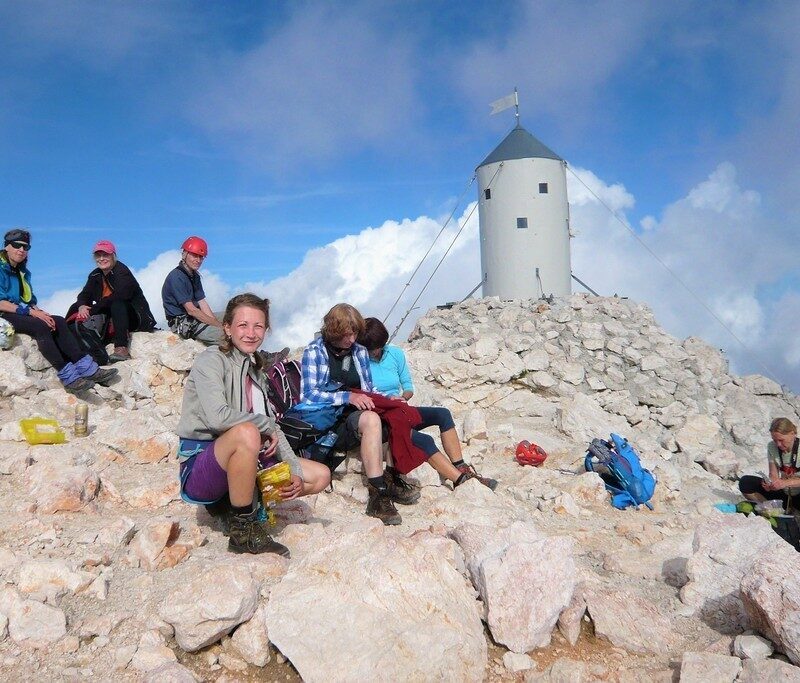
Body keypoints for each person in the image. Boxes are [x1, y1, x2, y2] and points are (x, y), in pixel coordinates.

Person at [176, 293, 330, 556]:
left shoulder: (255, 369)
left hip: (250, 457)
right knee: (247, 432)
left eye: (258, 326)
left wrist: (292, 467)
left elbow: (272, 425)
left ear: (266, 330)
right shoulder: (211, 360)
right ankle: (243, 530)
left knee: (320, 476)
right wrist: (263, 425)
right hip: (204, 463)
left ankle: (239, 502)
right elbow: (218, 417)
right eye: (242, 325)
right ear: (227, 327)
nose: (251, 333)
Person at [296, 303, 420, 526]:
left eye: (354, 333)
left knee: (394, 415)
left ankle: (389, 481)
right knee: (372, 419)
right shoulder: (315, 352)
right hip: (327, 420)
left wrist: (387, 397)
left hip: (351, 416)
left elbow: (367, 388)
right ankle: (378, 493)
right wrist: (346, 397)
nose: (352, 340)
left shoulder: (359, 352)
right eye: (346, 334)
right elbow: (308, 395)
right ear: (333, 331)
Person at [359, 317, 497, 491]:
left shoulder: (395, 354)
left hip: (401, 408)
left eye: (379, 347)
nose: (375, 352)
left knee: (443, 414)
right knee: (424, 440)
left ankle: (461, 466)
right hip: (382, 415)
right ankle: (462, 480)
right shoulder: (360, 361)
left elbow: (407, 386)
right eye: (371, 349)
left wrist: (404, 397)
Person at [0, 229, 117, 393]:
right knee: (39, 326)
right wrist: (32, 313)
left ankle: (89, 369)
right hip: (4, 314)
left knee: (58, 321)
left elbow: (28, 300)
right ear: (7, 247)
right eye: (17, 245)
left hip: (17, 311)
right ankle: (68, 377)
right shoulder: (1, 268)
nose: (21, 250)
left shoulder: (21, 271)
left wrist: (40, 312)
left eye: (26, 247)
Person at [67, 240, 157, 362]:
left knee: (117, 304)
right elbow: (84, 294)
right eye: (98, 256)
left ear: (113, 255)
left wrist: (93, 310)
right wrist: (82, 306)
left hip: (135, 316)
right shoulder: (95, 275)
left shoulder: (122, 272)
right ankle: (67, 338)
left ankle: (121, 348)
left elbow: (120, 296)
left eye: (105, 255)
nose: (101, 259)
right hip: (110, 315)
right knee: (75, 307)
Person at [161, 236, 224, 345]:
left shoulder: (195, 276)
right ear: (185, 254)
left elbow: (202, 302)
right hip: (184, 323)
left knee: (235, 316)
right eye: (195, 255)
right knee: (225, 336)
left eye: (201, 257)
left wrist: (216, 323)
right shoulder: (177, 277)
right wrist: (219, 326)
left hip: (194, 318)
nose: (198, 260)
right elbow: (191, 310)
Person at [739, 418, 800, 510]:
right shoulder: (772, 446)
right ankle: (774, 510)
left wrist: (785, 483)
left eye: (781, 440)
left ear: (792, 434)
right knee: (746, 482)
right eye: (775, 440)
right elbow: (773, 474)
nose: (778, 444)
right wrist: (771, 485)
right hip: (784, 494)